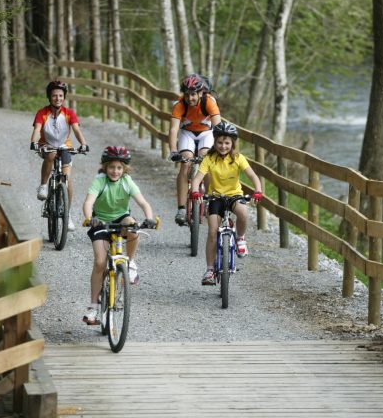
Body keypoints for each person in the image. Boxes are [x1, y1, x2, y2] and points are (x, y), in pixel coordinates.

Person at [80, 146, 156, 325]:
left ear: (125, 169)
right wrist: (89, 218)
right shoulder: (100, 181)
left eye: (119, 168)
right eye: (112, 167)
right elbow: (88, 202)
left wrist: (149, 218)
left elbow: (143, 202)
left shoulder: (127, 181)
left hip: (120, 219)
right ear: (105, 167)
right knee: (100, 263)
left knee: (132, 225)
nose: (115, 171)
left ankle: (129, 262)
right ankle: (92, 308)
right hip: (100, 222)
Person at [190, 121, 263, 285]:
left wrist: (258, 190)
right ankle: (209, 269)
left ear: (233, 144)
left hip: (234, 196)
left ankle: (240, 238)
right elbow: (197, 179)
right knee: (212, 232)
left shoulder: (238, 158)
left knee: (243, 213)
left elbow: (253, 176)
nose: (223, 146)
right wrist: (195, 191)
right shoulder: (209, 158)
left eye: (227, 143)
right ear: (214, 142)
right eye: (220, 142)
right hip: (215, 197)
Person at [30, 80, 89, 232]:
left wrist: (83, 144)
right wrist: (33, 142)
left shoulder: (69, 113)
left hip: (65, 147)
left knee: (67, 180)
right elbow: (37, 129)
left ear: (64, 97)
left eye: (61, 95)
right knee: (51, 154)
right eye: (55, 95)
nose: (58, 98)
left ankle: (67, 214)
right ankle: (43, 186)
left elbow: (76, 130)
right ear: (49, 97)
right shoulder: (42, 113)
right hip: (46, 145)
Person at [168, 74, 221, 226]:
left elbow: (217, 127)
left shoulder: (209, 102)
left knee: (207, 160)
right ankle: (181, 208)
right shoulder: (179, 105)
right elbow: (173, 129)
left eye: (193, 94)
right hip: (187, 133)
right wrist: (173, 150)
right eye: (187, 94)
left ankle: (210, 200)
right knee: (185, 163)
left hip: (206, 133)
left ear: (200, 93)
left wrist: (219, 149)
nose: (190, 98)